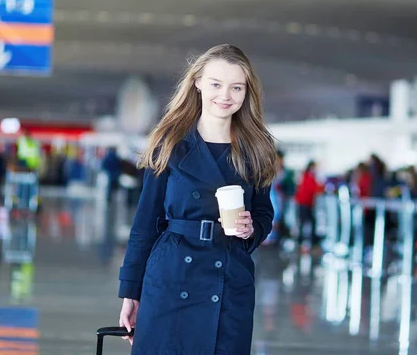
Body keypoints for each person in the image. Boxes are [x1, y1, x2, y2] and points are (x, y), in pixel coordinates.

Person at [117, 44, 277, 354]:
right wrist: (131, 292)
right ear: (198, 82)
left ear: (247, 92)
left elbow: (264, 213)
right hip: (172, 274)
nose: (225, 95)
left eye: (236, 87)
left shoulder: (258, 146)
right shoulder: (171, 140)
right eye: (216, 84)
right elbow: (145, 224)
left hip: (229, 277)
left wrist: (251, 228)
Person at [294, 161, 322, 248]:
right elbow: (311, 188)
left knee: (310, 221)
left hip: (308, 203)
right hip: (304, 202)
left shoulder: (310, 176)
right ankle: (301, 240)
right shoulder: (306, 176)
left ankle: (308, 239)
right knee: (303, 222)